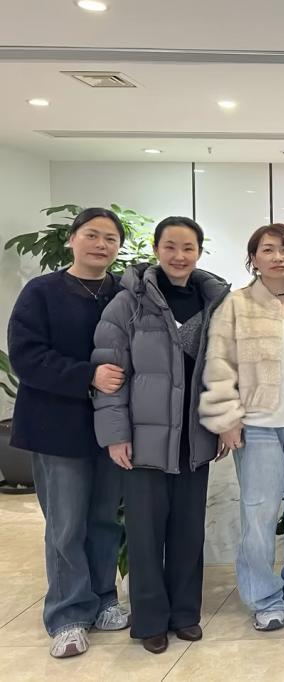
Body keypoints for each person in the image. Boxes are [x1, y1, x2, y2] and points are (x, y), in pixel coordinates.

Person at [92, 216, 230, 654]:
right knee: (145, 534)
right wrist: (116, 435)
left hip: (195, 438)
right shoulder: (128, 304)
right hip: (144, 440)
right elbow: (110, 376)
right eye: (170, 246)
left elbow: (226, 369)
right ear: (156, 249)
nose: (179, 256)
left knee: (189, 533)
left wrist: (224, 421)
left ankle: (185, 614)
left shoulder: (215, 302)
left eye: (188, 248)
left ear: (199, 252)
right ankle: (150, 620)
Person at [7, 208, 129, 658]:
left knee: (104, 519)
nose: (101, 245)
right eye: (92, 235)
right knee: (66, 524)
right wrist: (87, 375)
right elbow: (26, 356)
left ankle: (104, 599)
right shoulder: (42, 292)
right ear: (73, 239)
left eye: (110, 239)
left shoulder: (123, 292)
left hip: (110, 428)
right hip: (57, 426)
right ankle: (68, 614)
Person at [198, 224, 284, 632]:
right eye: (267, 250)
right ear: (254, 258)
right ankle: (264, 597)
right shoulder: (236, 305)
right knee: (258, 517)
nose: (278, 257)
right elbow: (219, 365)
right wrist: (226, 420)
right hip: (257, 428)